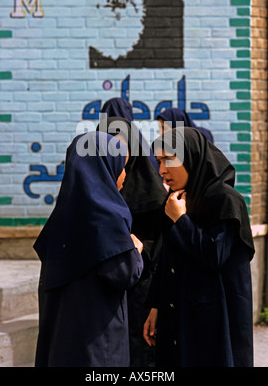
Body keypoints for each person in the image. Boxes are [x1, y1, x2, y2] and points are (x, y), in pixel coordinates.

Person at [143, 127, 255, 367]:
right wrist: (155, 305)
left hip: (215, 320)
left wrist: (181, 220)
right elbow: (167, 257)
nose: (162, 170)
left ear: (191, 156)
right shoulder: (178, 200)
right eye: (159, 161)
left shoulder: (225, 200)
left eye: (169, 160)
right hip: (180, 313)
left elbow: (213, 255)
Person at [33, 131, 144, 367]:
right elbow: (123, 273)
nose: (124, 175)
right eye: (120, 167)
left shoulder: (62, 214)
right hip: (98, 341)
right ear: (104, 167)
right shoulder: (108, 215)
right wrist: (135, 250)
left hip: (63, 338)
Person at [97, 116, 167, 367]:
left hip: (142, 285)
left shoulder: (154, 192)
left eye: (122, 147)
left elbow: (162, 244)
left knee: (139, 353)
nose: (118, 154)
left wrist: (137, 249)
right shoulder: (97, 187)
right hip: (107, 287)